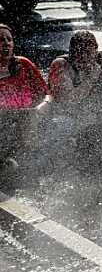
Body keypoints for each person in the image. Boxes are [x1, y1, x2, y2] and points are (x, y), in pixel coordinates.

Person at [0, 24, 49, 179]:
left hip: (31, 120)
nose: (6, 43)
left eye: (9, 39)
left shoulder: (23, 64)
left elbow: (47, 94)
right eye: (0, 40)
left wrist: (42, 107)